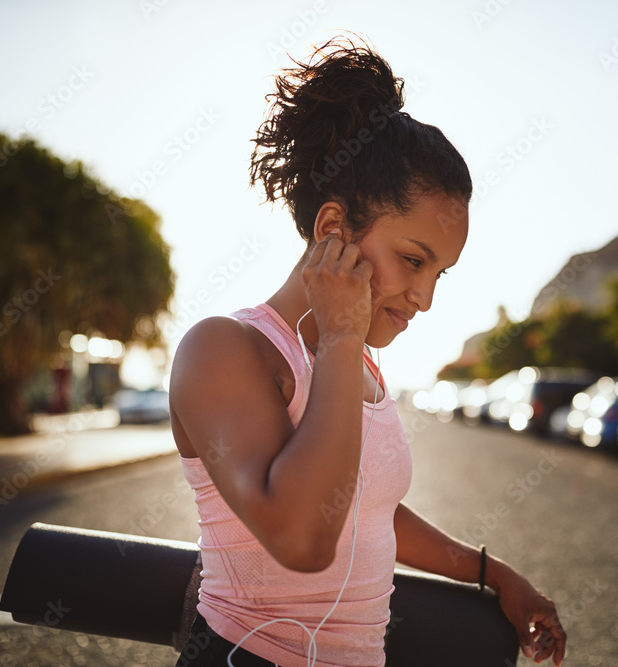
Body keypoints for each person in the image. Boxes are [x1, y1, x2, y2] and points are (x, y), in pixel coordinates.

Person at [169, 36, 567, 667]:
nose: (424, 299)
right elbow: (302, 535)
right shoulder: (223, 348)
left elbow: (367, 510)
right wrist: (342, 335)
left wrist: (494, 573)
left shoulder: (355, 365)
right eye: (413, 261)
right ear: (333, 230)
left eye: (439, 274)